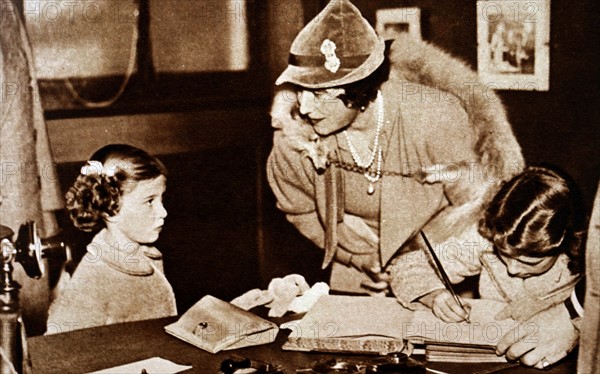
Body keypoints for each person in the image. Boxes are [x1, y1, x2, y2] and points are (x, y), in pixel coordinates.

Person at [267, 0, 523, 295]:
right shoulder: (295, 136)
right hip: (357, 274)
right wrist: (358, 258)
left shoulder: (435, 116)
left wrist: (420, 273)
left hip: (442, 270)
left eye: (321, 95)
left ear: (360, 90)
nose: (306, 108)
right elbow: (300, 209)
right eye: (300, 92)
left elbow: (475, 208)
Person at [390, 166, 587, 369]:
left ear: (568, 243)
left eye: (530, 263)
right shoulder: (486, 241)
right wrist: (434, 295)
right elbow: (407, 264)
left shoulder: (586, 258)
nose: (512, 269)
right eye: (504, 255)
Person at [46, 144, 177, 334]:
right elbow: (59, 346)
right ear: (111, 208)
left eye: (161, 199)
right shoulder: (92, 279)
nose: (163, 212)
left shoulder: (146, 256)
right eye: (149, 201)